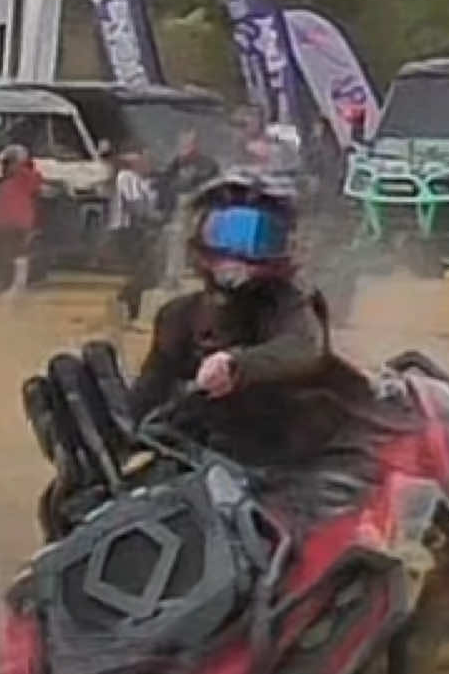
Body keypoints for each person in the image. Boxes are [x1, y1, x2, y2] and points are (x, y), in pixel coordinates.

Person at [130, 172, 351, 463]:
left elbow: (302, 347)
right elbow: (149, 392)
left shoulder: (289, 301)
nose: (239, 252)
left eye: (261, 236)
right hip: (201, 458)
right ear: (199, 235)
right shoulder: (177, 316)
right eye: (226, 231)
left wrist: (237, 366)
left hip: (294, 455)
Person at [158, 129, 219, 292]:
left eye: (190, 143)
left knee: (186, 232)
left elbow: (208, 186)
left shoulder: (207, 165)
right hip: (178, 210)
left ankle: (197, 272)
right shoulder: (174, 165)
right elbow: (164, 185)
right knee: (174, 234)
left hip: (201, 208)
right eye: (183, 143)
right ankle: (171, 276)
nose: (186, 147)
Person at [0, 143, 42, 297]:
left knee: (18, 252)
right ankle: (13, 285)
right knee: (11, 252)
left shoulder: (25, 175)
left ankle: (18, 286)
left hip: (18, 220)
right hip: (8, 219)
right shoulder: (13, 177)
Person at [109, 148, 158, 321]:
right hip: (128, 229)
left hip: (135, 228)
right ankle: (125, 303)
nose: (148, 164)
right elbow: (134, 205)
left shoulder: (140, 180)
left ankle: (129, 308)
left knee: (142, 271)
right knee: (140, 271)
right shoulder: (126, 177)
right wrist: (152, 219)